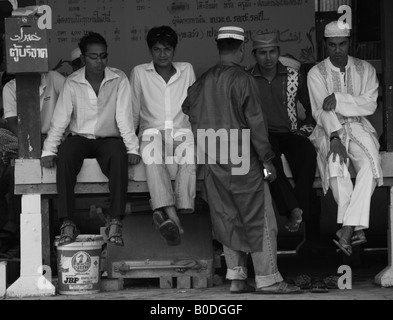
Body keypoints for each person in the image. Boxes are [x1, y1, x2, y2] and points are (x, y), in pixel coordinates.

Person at [182, 26, 301, 294]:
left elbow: (187, 107)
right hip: (244, 162)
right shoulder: (243, 79)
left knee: (227, 219)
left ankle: (236, 277)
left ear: (218, 46)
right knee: (260, 220)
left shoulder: (202, 81)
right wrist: (267, 159)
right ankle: (268, 279)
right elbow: (256, 124)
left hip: (215, 161)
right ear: (242, 48)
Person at [41, 32, 141, 247]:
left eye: (103, 56)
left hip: (108, 139)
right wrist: (49, 150)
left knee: (118, 155)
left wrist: (132, 147)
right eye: (94, 57)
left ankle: (115, 218)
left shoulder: (118, 78)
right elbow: (60, 119)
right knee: (66, 155)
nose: (99, 61)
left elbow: (124, 116)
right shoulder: (72, 82)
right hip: (80, 138)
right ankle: (67, 221)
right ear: (84, 58)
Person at [307, 21, 382, 256]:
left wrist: (339, 99)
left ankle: (347, 228)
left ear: (349, 42)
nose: (337, 50)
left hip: (359, 125)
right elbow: (320, 111)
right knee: (335, 166)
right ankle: (355, 228)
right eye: (332, 45)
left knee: (371, 166)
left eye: (342, 44)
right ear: (325, 45)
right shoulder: (316, 73)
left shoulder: (365, 69)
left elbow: (369, 103)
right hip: (329, 129)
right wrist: (335, 138)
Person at [130, 25, 196, 246]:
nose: (162, 54)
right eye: (157, 49)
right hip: (151, 131)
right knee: (151, 152)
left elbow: (193, 106)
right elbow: (133, 108)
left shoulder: (186, 69)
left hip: (181, 130)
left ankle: (177, 210)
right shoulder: (140, 72)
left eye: (167, 49)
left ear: (174, 50)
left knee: (189, 152)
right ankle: (173, 215)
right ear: (150, 51)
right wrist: (130, 144)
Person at [248, 33, 317, 233]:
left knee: (307, 153)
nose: (268, 57)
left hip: (290, 132)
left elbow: (312, 111)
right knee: (271, 159)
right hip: (262, 135)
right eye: (262, 53)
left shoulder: (294, 76)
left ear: (278, 52)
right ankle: (293, 209)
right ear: (255, 55)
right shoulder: (247, 78)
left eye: (272, 52)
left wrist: (304, 132)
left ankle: (298, 206)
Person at [0, 68, 65, 254]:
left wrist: (52, 141)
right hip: (25, 138)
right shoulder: (10, 87)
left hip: (57, 137)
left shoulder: (54, 78)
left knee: (61, 170)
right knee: (17, 167)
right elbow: (12, 122)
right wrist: (33, 144)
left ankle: (64, 223)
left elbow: (72, 104)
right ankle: (14, 226)